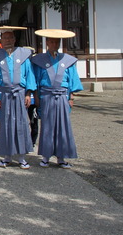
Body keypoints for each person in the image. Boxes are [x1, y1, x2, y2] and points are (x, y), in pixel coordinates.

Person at [0, 26, 36, 169]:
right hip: (3, 94)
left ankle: (22, 157)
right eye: (5, 38)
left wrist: (28, 94)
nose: (8, 40)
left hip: (20, 94)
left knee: (22, 124)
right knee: (6, 125)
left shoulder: (24, 54)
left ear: (14, 39)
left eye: (10, 38)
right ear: (1, 40)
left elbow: (29, 75)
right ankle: (7, 157)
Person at [31, 29, 84, 169]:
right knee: (47, 127)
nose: (54, 44)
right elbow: (35, 80)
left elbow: (72, 80)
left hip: (62, 96)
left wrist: (71, 97)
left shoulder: (67, 60)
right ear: (47, 42)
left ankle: (61, 157)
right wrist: (36, 98)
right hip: (46, 96)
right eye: (52, 41)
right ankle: (45, 157)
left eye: (57, 42)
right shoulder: (38, 60)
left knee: (63, 127)